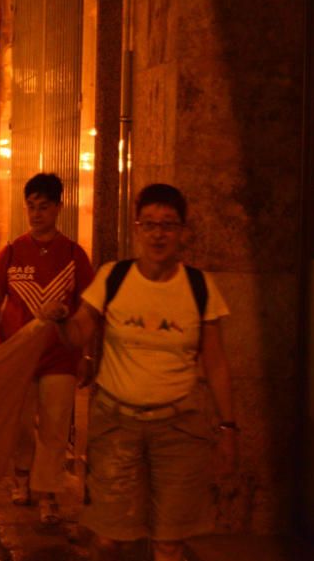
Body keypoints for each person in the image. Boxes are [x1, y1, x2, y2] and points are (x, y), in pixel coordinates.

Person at [38, 184, 237, 561]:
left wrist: (227, 429)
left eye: (168, 225)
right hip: (116, 427)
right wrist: (63, 321)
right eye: (150, 224)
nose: (158, 234)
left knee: (169, 543)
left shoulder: (199, 287)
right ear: (137, 229)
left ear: (182, 232)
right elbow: (81, 331)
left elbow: (216, 364)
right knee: (111, 540)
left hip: (179, 429)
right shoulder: (114, 278)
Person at [0, 173, 94, 524]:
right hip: (17, 356)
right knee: (22, 424)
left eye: (44, 207)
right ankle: (22, 478)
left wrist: (85, 354)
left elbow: (88, 308)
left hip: (60, 357)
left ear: (58, 208)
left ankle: (49, 494)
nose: (37, 213)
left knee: (55, 428)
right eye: (31, 206)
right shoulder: (12, 252)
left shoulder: (73, 255)